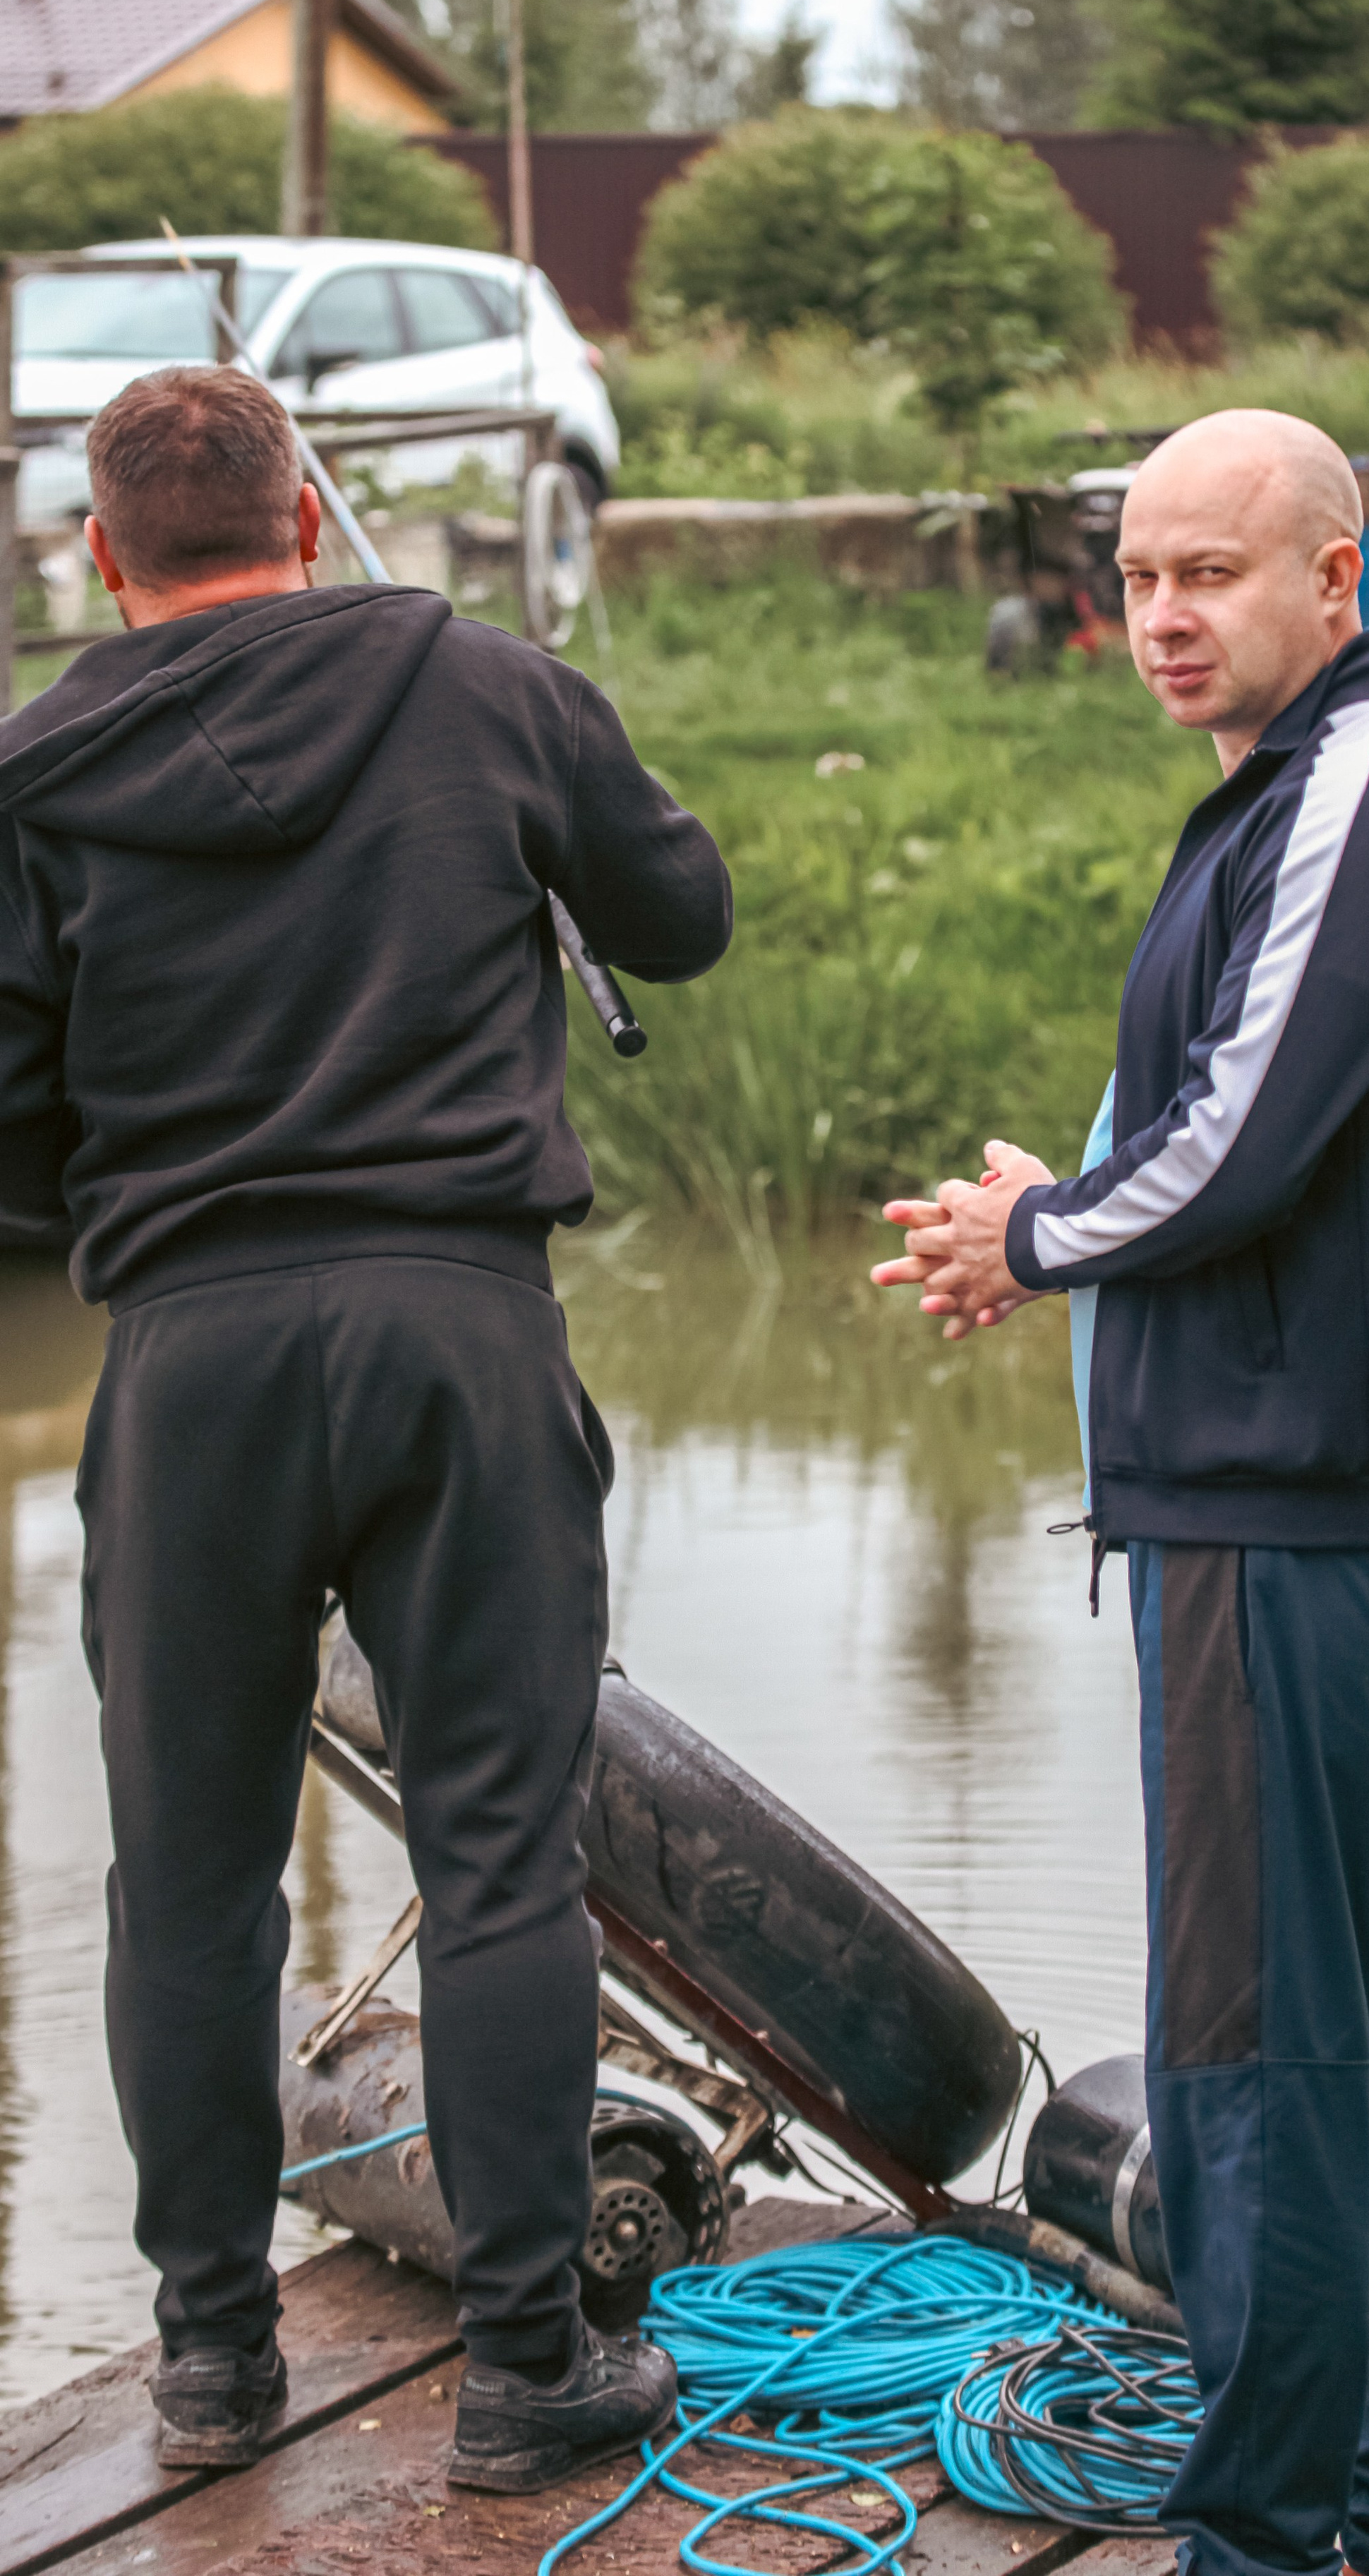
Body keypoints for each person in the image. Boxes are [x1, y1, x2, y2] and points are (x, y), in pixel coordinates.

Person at [0, 367, 732, 2492]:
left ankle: (212, 2370)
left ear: (99, 556)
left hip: (190, 1357)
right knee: (501, 1861)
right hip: (459, 1325)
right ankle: (529, 2377)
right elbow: (677, 918)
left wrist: (155, 1208)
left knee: (193, 1884)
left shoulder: (33, 775)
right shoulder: (496, 688)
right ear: (309, 524)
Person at [874, 409, 1369, 2576]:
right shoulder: (1284, 794)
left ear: (1339, 584)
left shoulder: (1363, 790)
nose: (1160, 615)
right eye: (1138, 574)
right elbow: (1221, 1129)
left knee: (1257, 2064)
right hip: (1320, 1505)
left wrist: (1041, 1234)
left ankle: (1264, 2540)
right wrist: (1060, 1204)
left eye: (1212, 574)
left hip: (1299, 1524)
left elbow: (1241, 1137)